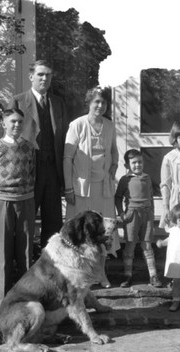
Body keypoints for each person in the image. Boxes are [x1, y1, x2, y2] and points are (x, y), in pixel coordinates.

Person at [8, 59, 68, 248]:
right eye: (40, 74)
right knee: (26, 221)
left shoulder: (58, 103)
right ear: (31, 77)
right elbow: (10, 138)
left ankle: (50, 266)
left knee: (53, 224)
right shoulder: (18, 101)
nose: (44, 78)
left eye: (48, 75)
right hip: (28, 172)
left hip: (53, 172)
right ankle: (25, 268)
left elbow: (65, 137)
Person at [0, 109, 36, 311]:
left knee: (25, 255)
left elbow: (33, 174)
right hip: (2, 203)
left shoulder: (29, 148)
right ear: (3, 123)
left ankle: (27, 303)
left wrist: (27, 195)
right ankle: (2, 307)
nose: (17, 125)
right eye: (12, 121)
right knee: (4, 257)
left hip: (26, 203)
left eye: (20, 122)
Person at [63, 86, 120, 255]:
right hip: (82, 188)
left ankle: (101, 272)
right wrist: (68, 188)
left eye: (104, 103)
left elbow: (113, 151)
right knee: (82, 230)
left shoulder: (109, 126)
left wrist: (114, 165)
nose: (100, 106)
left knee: (104, 229)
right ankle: (80, 271)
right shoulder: (77, 125)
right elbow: (67, 158)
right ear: (89, 103)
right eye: (97, 102)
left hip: (103, 188)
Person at [115, 149, 162, 288]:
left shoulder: (147, 178)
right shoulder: (125, 180)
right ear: (127, 165)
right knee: (130, 246)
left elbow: (151, 198)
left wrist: (152, 214)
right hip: (132, 216)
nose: (137, 165)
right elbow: (117, 198)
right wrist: (121, 214)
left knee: (147, 245)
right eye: (134, 163)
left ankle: (153, 276)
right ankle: (127, 275)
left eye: (140, 162)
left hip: (146, 215)